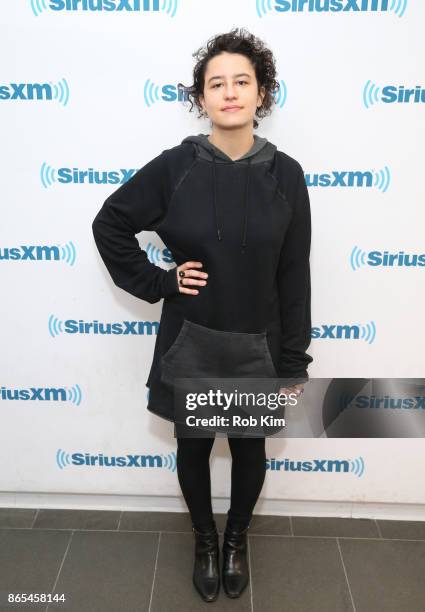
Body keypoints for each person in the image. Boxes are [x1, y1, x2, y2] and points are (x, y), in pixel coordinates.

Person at [91, 28, 313, 603]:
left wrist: (293, 362)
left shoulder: (286, 175)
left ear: (262, 94)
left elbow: (295, 274)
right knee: (192, 448)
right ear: (201, 97)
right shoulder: (175, 167)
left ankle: (237, 538)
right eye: (217, 83)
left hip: (258, 344)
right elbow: (110, 223)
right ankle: (204, 539)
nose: (231, 92)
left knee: (249, 449)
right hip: (191, 339)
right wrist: (159, 281)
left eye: (243, 81)